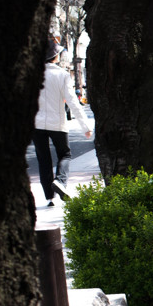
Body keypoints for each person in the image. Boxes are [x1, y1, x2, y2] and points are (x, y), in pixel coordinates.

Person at [34, 39, 92, 206]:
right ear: (54, 56)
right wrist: (85, 126)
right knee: (65, 154)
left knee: (43, 159)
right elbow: (73, 101)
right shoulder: (62, 75)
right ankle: (60, 181)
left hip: (36, 125)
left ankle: (49, 197)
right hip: (57, 123)